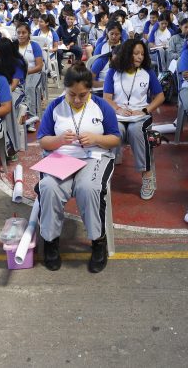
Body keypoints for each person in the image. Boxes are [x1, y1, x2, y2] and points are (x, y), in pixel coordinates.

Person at [36, 62, 122, 273]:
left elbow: (115, 139)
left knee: (89, 188)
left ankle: (97, 241)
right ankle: (50, 241)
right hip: (62, 158)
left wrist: (96, 138)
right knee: (48, 187)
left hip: (94, 157)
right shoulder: (55, 107)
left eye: (82, 95)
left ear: (90, 91)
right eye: (71, 94)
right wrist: (58, 140)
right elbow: (43, 141)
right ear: (65, 89)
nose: (76, 99)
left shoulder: (101, 107)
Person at [103, 39, 165, 199]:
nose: (140, 57)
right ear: (126, 53)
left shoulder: (148, 72)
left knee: (136, 131)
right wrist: (118, 109)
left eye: (142, 54)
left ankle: (148, 177)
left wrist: (145, 110)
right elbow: (107, 98)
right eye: (136, 53)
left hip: (140, 115)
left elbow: (160, 96)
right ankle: (103, 174)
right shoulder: (113, 72)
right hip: (118, 114)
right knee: (117, 130)